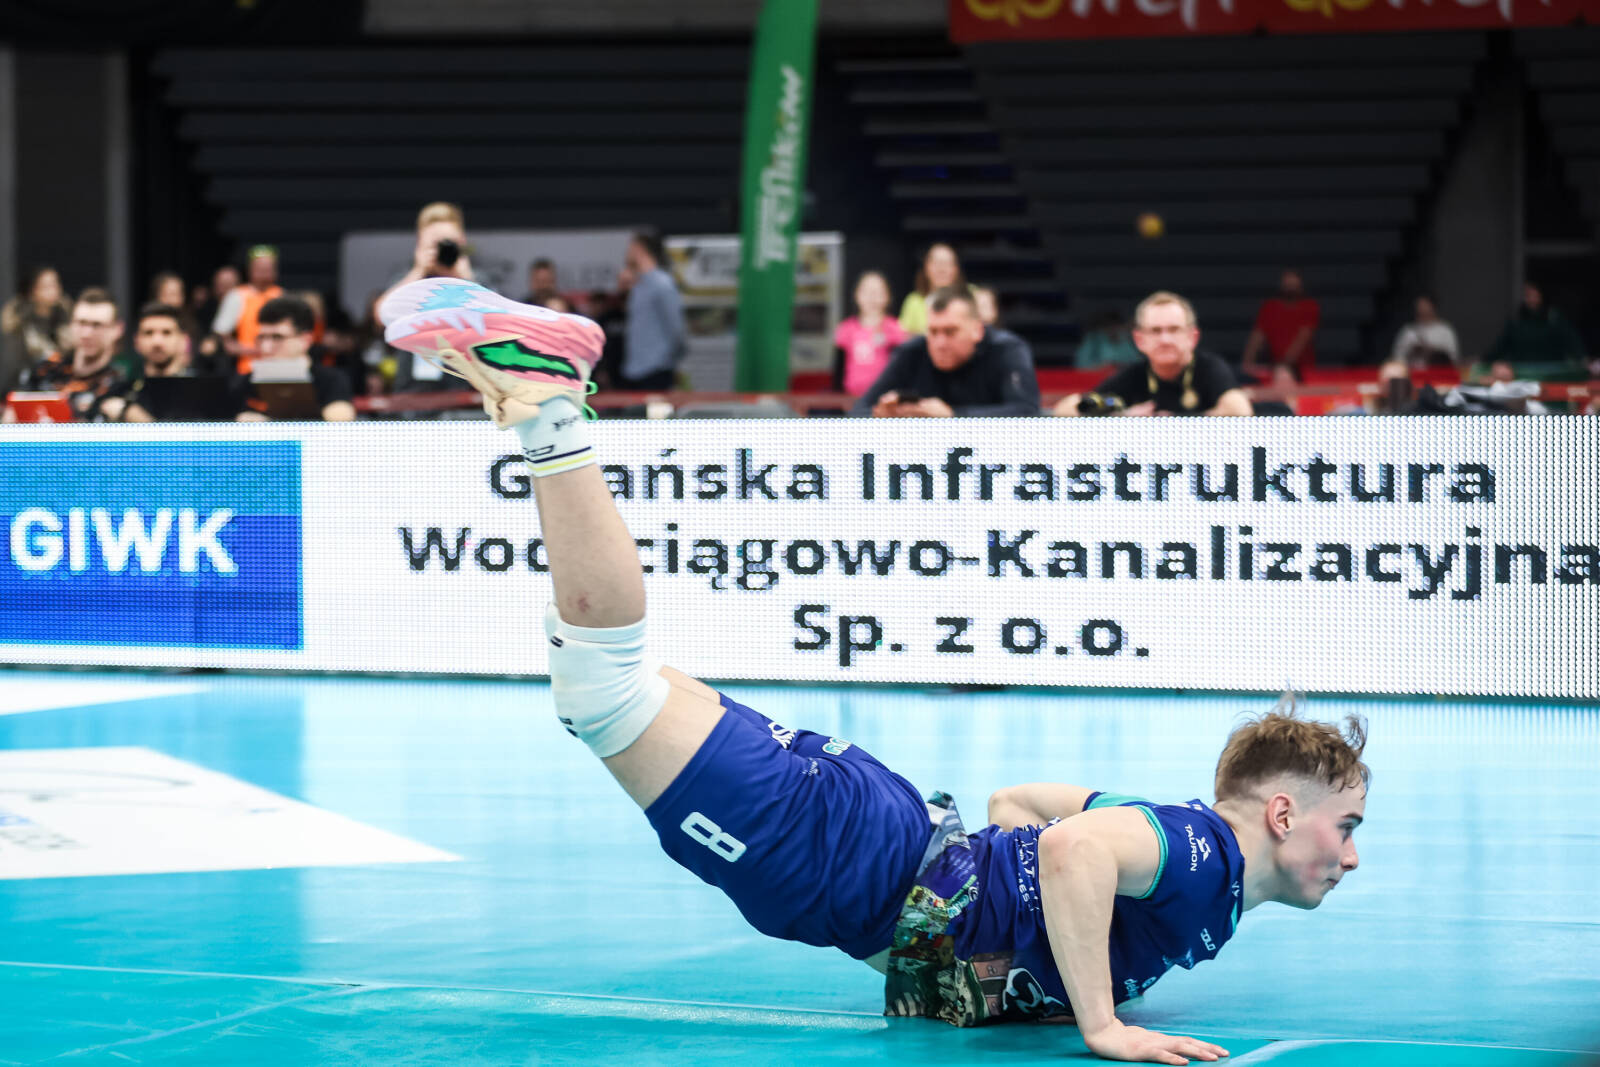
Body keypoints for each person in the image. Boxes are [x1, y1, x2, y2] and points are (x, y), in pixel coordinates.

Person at [375, 275, 1369, 1064]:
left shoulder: (1192, 859)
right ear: (1282, 811)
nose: (1352, 853)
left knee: (600, 689)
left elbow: (1022, 805)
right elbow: (1070, 849)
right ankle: (551, 409)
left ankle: (536, 400)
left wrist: (997, 892)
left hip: (881, 842)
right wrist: (1099, 1021)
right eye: (1348, 823)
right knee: (603, 691)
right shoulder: (1204, 858)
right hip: (862, 867)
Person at [850, 285, 1040, 418]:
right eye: (933, 332)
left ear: (977, 330)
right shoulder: (912, 352)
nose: (940, 343)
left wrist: (953, 416)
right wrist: (883, 416)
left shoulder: (1007, 350)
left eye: (950, 332)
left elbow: (1027, 412)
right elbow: (858, 412)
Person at [1055, 292, 1252, 417]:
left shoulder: (1209, 368)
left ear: (1193, 337)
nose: (1165, 339)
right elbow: (1065, 410)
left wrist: (1179, 421)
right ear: (1139, 340)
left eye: (1174, 330)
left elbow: (1241, 410)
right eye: (1155, 331)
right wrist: (1121, 415)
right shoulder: (1134, 375)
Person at [233, 295, 356, 422]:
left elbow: (341, 415)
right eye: (262, 337)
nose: (266, 347)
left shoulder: (331, 380)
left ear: (305, 340)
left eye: (277, 337)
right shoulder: (247, 382)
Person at [18, 287, 129, 421]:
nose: (87, 334)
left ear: (117, 329)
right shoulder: (44, 370)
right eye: (81, 323)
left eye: (97, 325)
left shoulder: (120, 385)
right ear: (71, 324)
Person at [102, 303, 200, 422]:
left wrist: (134, 416)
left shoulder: (201, 392)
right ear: (136, 342)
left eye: (166, 333)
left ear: (184, 341)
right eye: (148, 333)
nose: (157, 342)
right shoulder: (122, 391)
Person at [1477, 281, 1586, 379]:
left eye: (1536, 296)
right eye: (1528, 296)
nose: (1532, 300)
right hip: (1522, 373)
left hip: (1550, 374)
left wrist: (1581, 358)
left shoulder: (1554, 318)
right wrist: (1484, 360)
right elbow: (1501, 344)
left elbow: (1571, 340)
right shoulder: (1517, 320)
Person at [620, 232, 686, 391]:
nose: (627, 254)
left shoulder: (662, 284)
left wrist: (669, 361)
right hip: (635, 369)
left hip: (656, 368)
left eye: (630, 248)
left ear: (640, 249)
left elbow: (675, 327)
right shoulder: (638, 285)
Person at [832, 271, 909, 397]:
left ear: (887, 297)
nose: (872, 298)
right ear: (857, 295)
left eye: (878, 292)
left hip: (886, 398)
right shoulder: (846, 329)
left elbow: (902, 368)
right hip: (851, 397)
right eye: (867, 292)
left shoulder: (896, 328)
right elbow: (838, 370)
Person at [1, 265, 73, 396]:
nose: (54, 290)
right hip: (24, 387)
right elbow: (13, 367)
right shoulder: (17, 323)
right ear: (32, 291)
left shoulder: (66, 316)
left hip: (61, 385)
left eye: (55, 284)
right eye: (46, 286)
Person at [211, 245, 284, 367]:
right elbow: (223, 335)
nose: (264, 273)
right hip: (247, 367)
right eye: (260, 269)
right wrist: (252, 351)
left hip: (279, 365)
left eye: (268, 268)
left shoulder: (282, 296)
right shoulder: (237, 296)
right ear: (250, 270)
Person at [1241, 268, 1319, 377]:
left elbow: (1303, 338)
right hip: (1275, 367)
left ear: (1300, 286)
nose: (1290, 288)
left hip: (1302, 369)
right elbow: (1257, 336)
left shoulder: (1309, 306)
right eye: (1287, 284)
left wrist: (1284, 365)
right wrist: (1247, 362)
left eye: (1293, 285)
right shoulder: (1270, 307)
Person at [898, 243, 963, 336]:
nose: (941, 269)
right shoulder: (913, 301)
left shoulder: (970, 295)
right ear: (926, 267)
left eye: (947, 263)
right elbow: (904, 337)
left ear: (956, 269)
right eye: (936, 263)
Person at [1389, 294, 1458, 368]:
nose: (1421, 309)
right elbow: (1396, 357)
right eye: (1419, 306)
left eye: (1425, 305)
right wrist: (1411, 351)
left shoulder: (1445, 331)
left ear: (1433, 306)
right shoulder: (1408, 331)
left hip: (1438, 372)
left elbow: (1454, 358)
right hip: (1412, 372)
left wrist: (1431, 351)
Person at [1075, 309, 1142, 368]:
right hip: (1097, 376)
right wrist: (1103, 366)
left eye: (1115, 325)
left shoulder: (1125, 340)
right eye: (1108, 326)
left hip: (1123, 376)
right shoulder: (1093, 339)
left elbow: (1138, 362)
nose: (1112, 329)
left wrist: (1121, 366)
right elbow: (1081, 364)